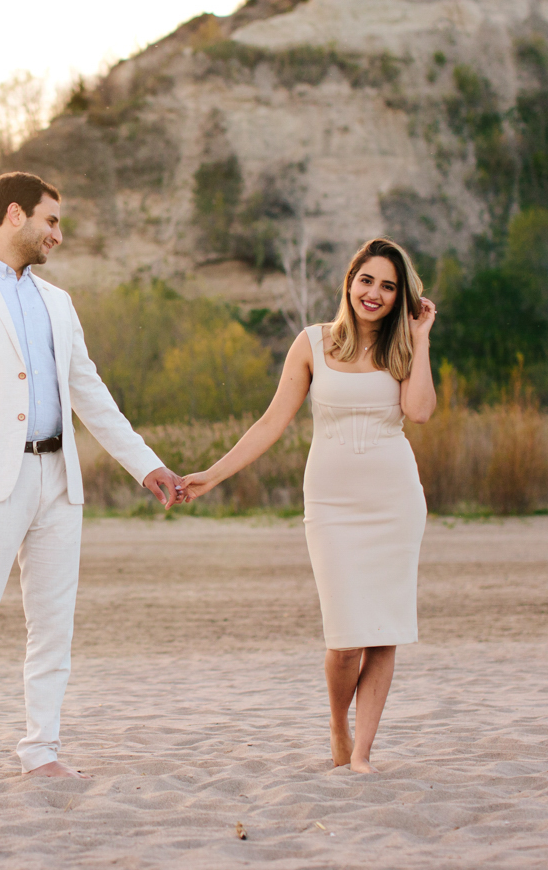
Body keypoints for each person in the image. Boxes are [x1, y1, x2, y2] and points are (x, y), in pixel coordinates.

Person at [0, 171, 186, 789]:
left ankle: (41, 747)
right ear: (16, 216)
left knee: (53, 622)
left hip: (59, 481)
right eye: (51, 221)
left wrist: (147, 464)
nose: (58, 235)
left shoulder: (58, 303)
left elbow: (90, 393)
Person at [182, 237, 437, 773]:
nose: (375, 293)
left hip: (394, 504)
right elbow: (271, 423)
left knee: (384, 633)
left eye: (389, 286)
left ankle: (362, 754)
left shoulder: (404, 348)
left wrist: (422, 336)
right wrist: (212, 474)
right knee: (345, 640)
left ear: (399, 298)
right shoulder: (313, 344)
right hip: (332, 506)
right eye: (367, 280)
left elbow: (419, 412)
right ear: (349, 282)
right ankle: (338, 722)